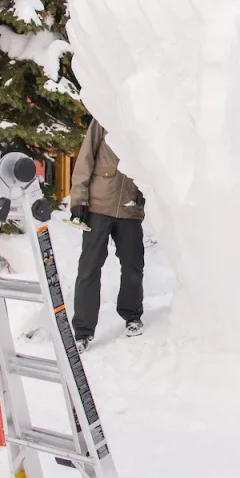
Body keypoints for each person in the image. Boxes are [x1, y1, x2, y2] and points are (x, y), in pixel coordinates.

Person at [70, 119, 145, 352]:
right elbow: (85, 157)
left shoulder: (142, 117)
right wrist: (79, 198)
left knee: (133, 265)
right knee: (89, 269)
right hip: (98, 207)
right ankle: (83, 331)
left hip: (130, 208)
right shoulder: (103, 117)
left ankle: (132, 315)